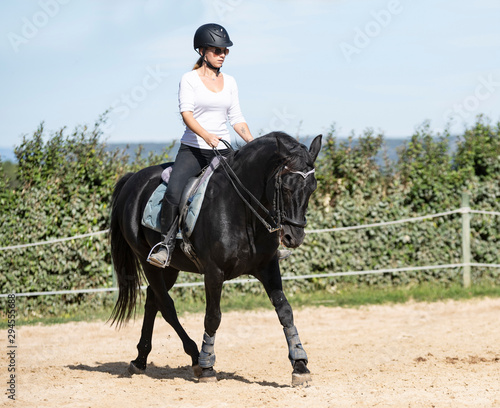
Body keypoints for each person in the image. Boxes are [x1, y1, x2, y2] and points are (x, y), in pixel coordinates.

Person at [147, 23, 253, 268]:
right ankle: (165, 245)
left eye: (225, 50)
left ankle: (262, 243)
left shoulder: (231, 82)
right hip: (194, 149)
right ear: (202, 51)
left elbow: (236, 118)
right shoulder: (189, 80)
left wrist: (252, 142)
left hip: (222, 148)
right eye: (217, 50)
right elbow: (187, 114)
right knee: (174, 192)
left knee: (250, 185)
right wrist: (206, 135)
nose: (222, 54)